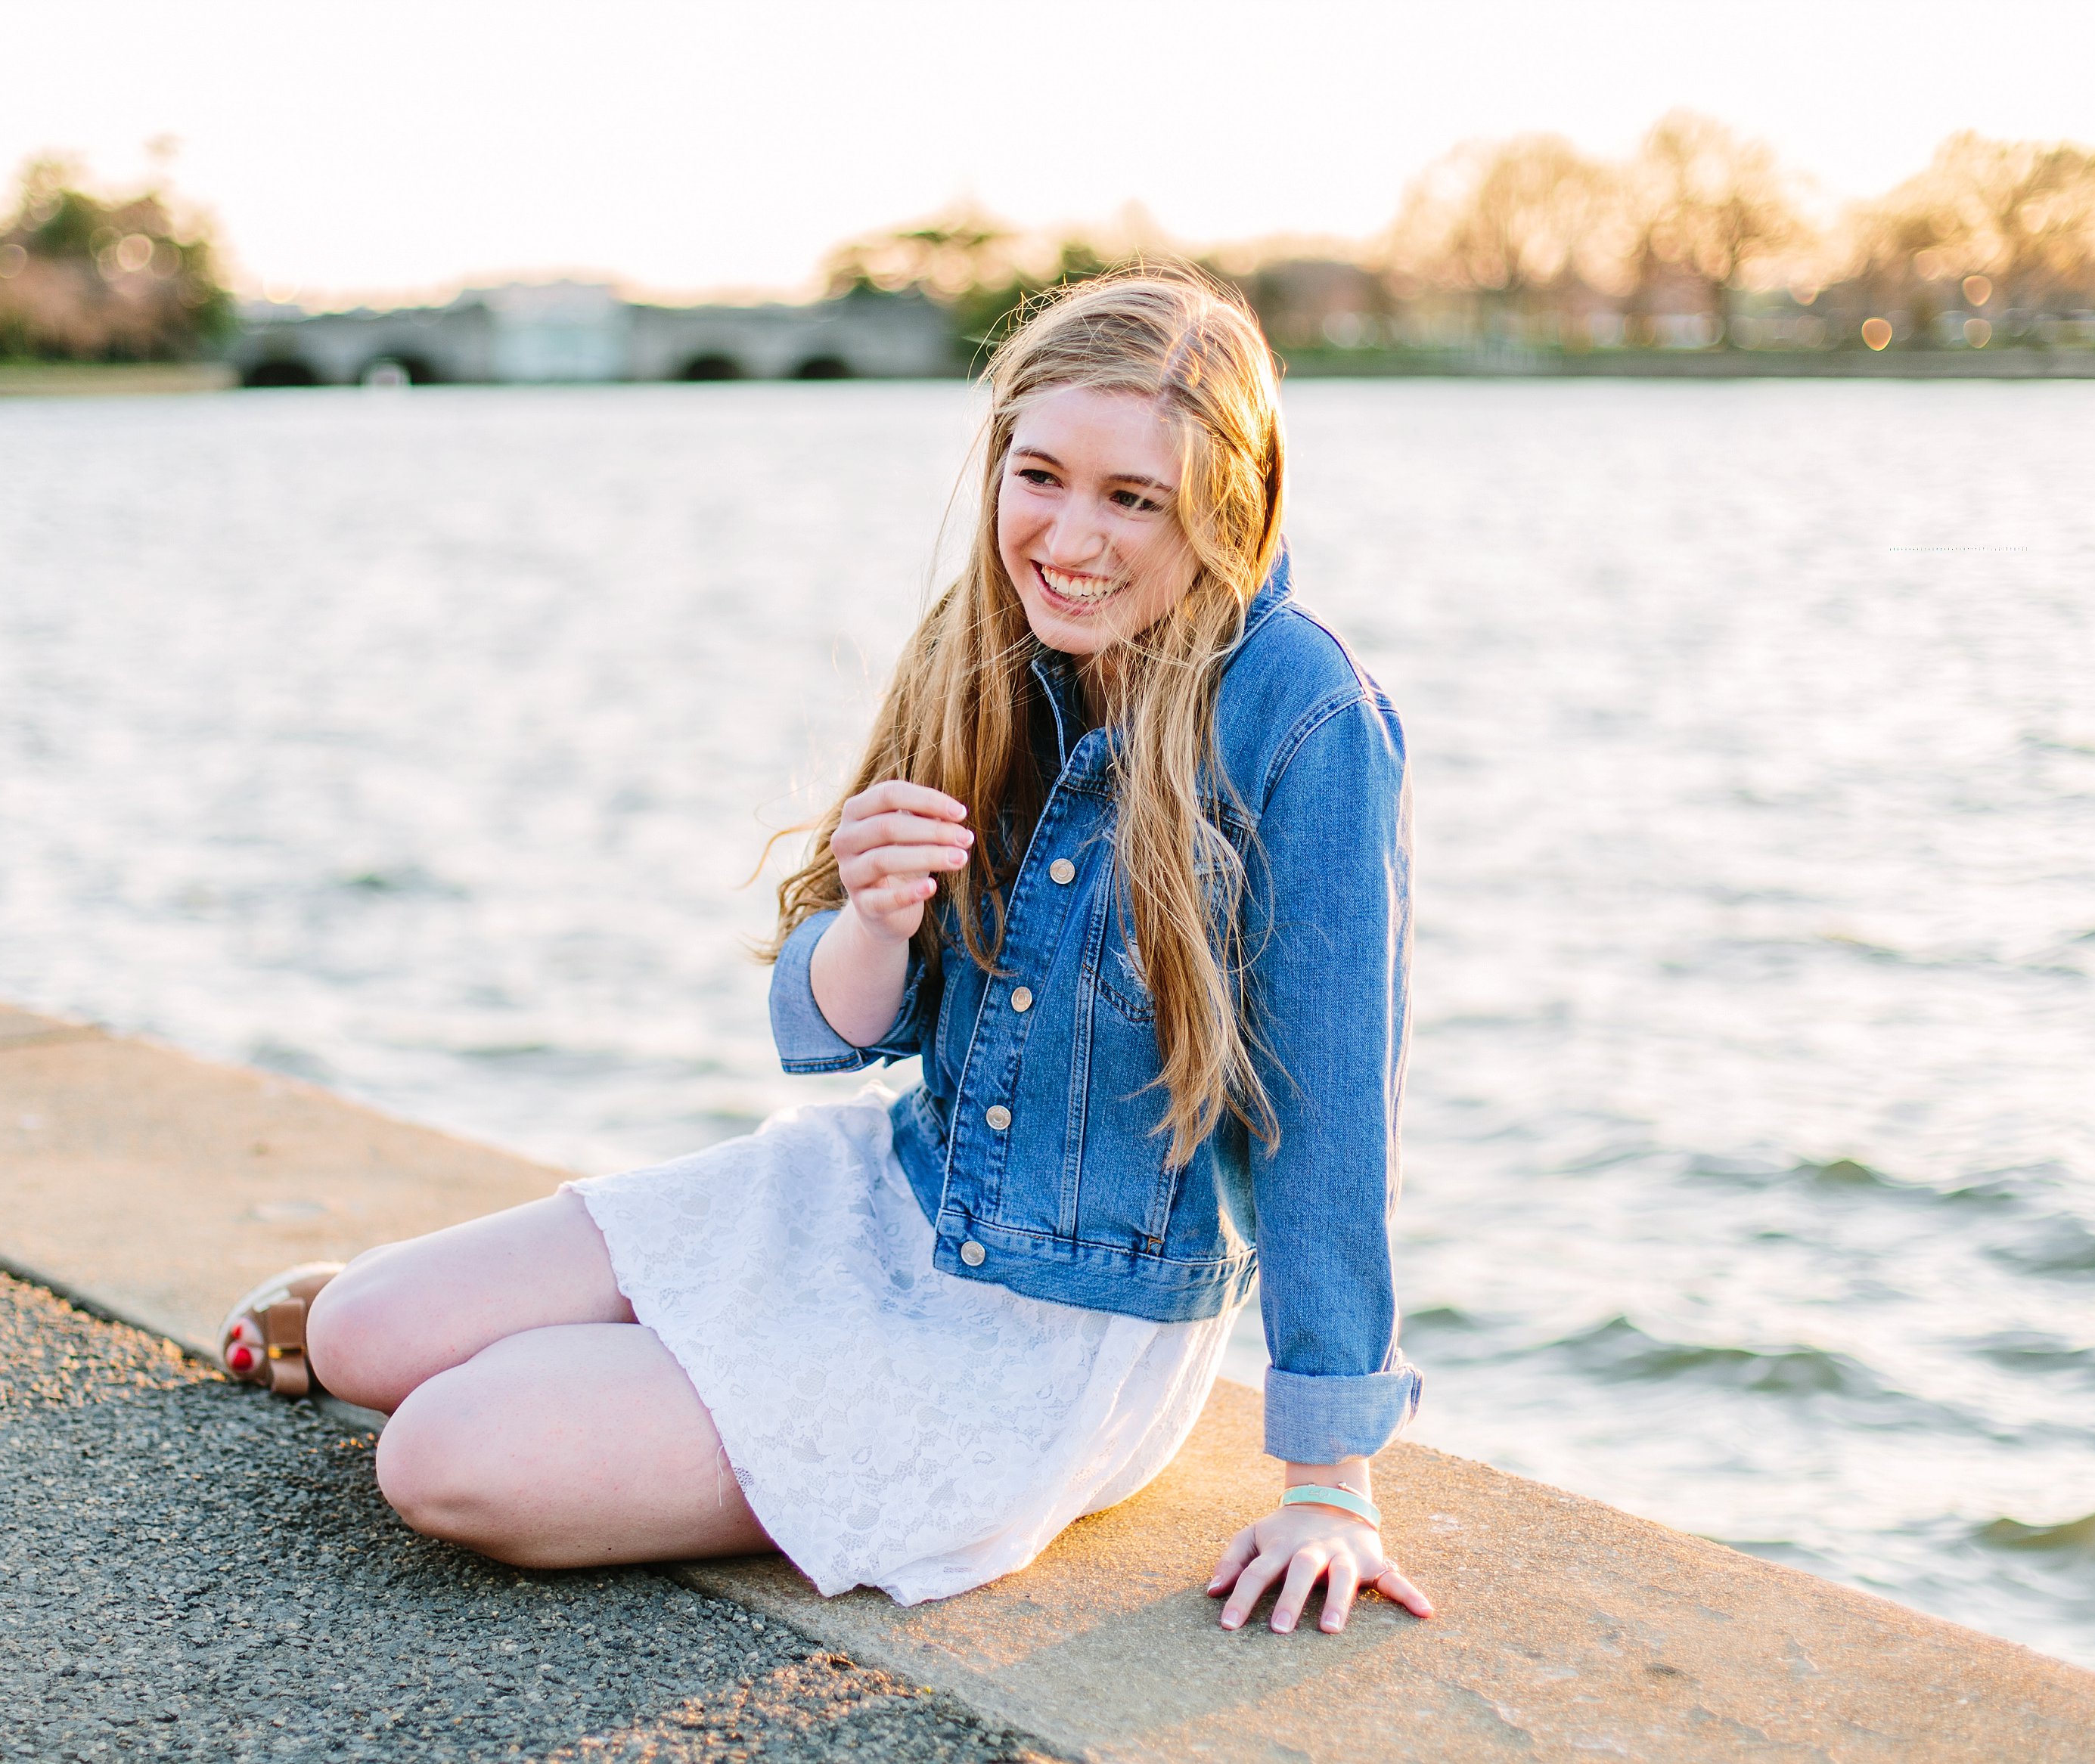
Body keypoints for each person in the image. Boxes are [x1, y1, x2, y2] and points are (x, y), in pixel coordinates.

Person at [221, 270, 1434, 1637]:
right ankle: (654, 1359)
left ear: (1226, 499)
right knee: (362, 1335)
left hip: (1049, 1331)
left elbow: (1330, 1115)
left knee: (440, 1458)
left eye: (1132, 497)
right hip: (882, 1191)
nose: (1071, 536)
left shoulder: (1308, 718)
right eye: (1040, 475)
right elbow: (839, 1028)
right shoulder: (983, 642)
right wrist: (873, 916)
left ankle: (652, 1379)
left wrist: (1331, 1479)